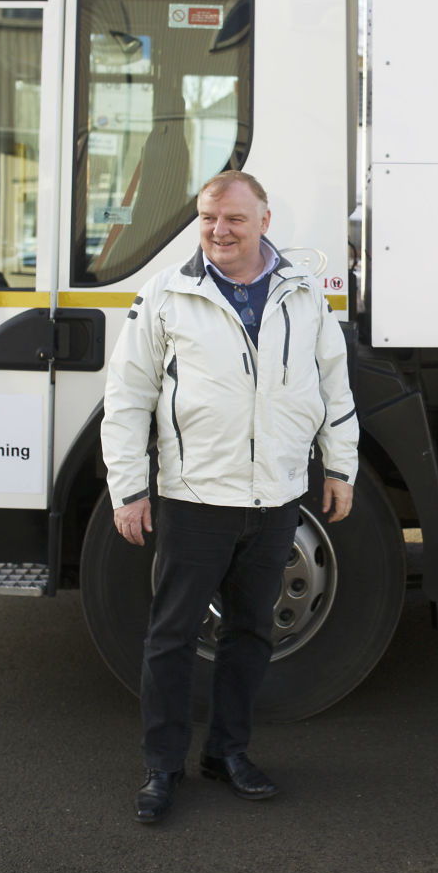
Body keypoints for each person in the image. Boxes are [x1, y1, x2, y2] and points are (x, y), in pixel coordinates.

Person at [101, 169, 358, 824]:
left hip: (275, 498)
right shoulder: (167, 294)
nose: (219, 229)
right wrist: (129, 488)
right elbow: (127, 398)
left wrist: (340, 467)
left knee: (250, 633)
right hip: (194, 497)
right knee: (172, 637)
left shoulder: (303, 295)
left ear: (264, 221)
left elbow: (333, 386)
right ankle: (162, 766)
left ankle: (227, 752)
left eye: (234, 219)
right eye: (209, 217)